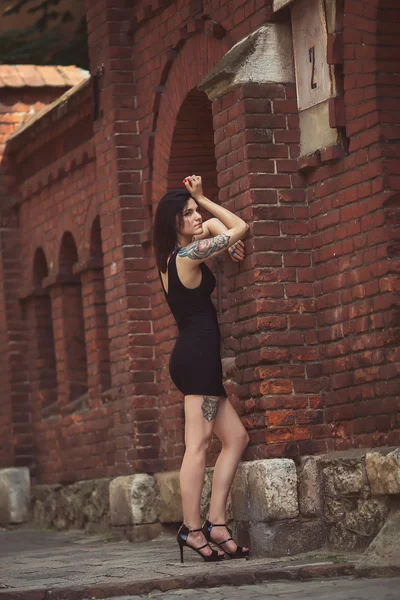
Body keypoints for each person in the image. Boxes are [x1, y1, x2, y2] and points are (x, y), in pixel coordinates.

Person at [153, 174, 250, 563]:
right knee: (197, 447)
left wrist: (226, 242)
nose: (196, 217)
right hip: (196, 359)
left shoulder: (176, 256)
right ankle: (193, 530)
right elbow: (237, 225)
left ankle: (217, 524)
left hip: (196, 357)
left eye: (194, 211)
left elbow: (217, 230)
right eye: (187, 213)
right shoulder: (188, 257)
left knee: (236, 439)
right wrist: (203, 196)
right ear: (173, 222)